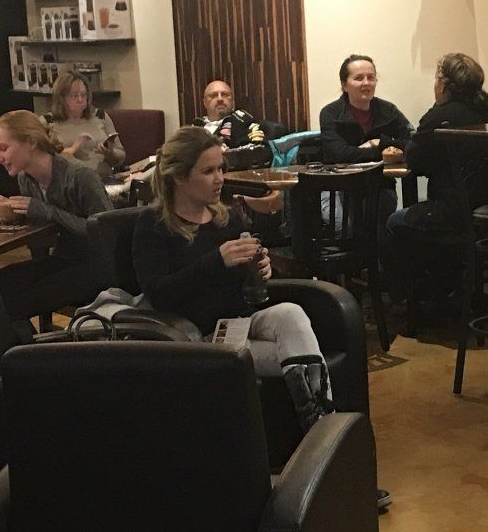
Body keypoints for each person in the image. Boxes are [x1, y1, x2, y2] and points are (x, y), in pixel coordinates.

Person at [131, 125, 335, 425]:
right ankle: (323, 429)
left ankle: (322, 427)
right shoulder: (152, 226)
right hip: (199, 337)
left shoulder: (225, 215)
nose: (220, 179)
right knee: (301, 356)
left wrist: (261, 266)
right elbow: (158, 292)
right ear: (178, 176)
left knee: (291, 314)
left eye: (220, 168)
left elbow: (243, 276)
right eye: (208, 171)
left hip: (241, 321)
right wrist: (217, 260)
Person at [384, 52, 488, 301]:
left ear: (444, 84)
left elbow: (415, 160)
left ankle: (412, 299)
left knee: (396, 223)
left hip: (454, 215)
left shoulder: (441, 116)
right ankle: (445, 289)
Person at [0, 109, 112, 319]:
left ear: (30, 142)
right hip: (64, 258)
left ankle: (25, 349)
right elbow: (43, 234)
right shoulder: (26, 178)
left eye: (3, 149)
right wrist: (15, 215)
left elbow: (106, 235)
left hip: (97, 266)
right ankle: (21, 345)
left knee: (17, 299)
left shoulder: (80, 177)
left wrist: (45, 211)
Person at [318, 53, 411, 162]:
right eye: (359, 78)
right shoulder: (330, 113)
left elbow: (412, 144)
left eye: (371, 78)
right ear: (344, 85)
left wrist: (380, 142)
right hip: (343, 177)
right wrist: (384, 150)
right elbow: (338, 154)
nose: (366, 83)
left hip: (380, 177)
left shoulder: (388, 110)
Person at [44, 71, 125, 180]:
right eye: (74, 96)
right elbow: (42, 161)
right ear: (61, 98)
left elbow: (121, 155)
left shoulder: (100, 116)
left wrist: (110, 153)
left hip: (104, 179)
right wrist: (73, 148)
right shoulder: (47, 122)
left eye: (83, 95)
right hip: (68, 183)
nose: (80, 100)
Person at [198, 78, 271, 148]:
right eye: (213, 95)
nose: (220, 99)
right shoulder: (195, 125)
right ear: (205, 102)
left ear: (232, 101)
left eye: (225, 94)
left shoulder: (244, 123)